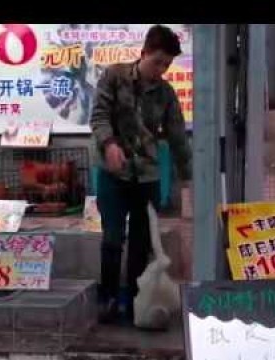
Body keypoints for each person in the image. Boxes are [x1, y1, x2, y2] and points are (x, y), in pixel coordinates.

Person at [90, 25, 192, 323]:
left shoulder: (166, 93)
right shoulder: (114, 76)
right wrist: (109, 144)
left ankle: (134, 302)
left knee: (141, 240)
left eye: (167, 64)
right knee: (112, 237)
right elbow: (98, 116)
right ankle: (107, 299)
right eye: (157, 61)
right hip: (113, 173)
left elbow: (177, 137)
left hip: (147, 176)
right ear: (144, 52)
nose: (161, 70)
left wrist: (188, 178)